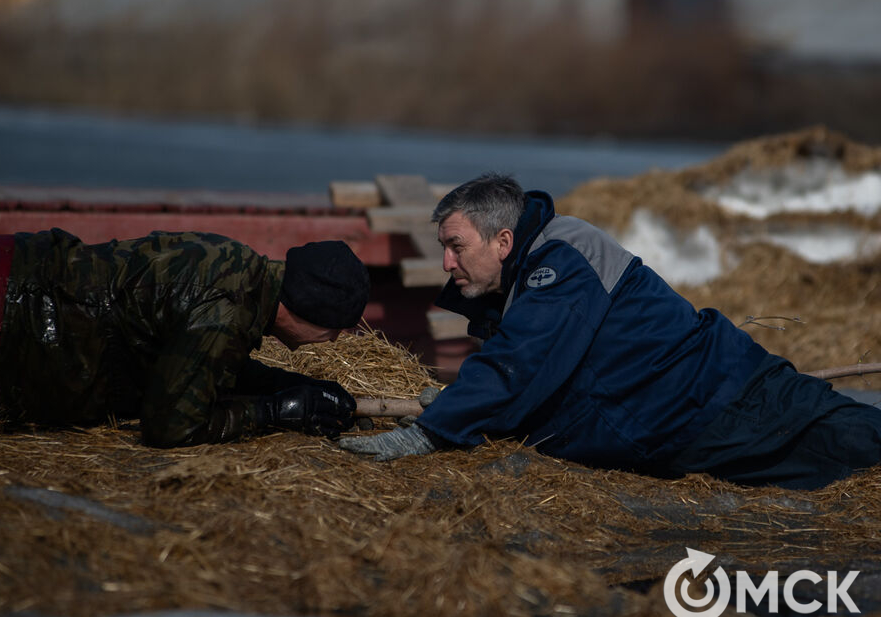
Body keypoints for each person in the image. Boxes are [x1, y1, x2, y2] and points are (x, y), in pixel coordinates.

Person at [339, 173, 881, 490]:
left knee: (857, 448)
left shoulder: (561, 259)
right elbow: (539, 380)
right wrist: (464, 403)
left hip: (732, 398)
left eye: (455, 246)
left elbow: (520, 365)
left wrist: (431, 431)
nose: (446, 263)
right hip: (689, 431)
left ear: (503, 240)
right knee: (820, 481)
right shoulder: (522, 278)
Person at [0, 228, 370, 448]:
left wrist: (283, 385)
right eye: (337, 326)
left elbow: (193, 360)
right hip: (3, 314)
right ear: (303, 309)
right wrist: (279, 413)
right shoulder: (223, 312)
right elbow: (172, 427)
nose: (336, 338)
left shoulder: (238, 267)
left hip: (7, 273)